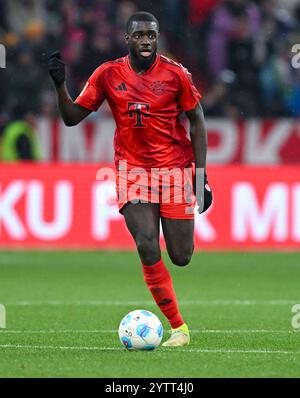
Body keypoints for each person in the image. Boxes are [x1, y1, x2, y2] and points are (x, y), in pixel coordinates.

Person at [48, 11, 212, 347]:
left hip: (175, 170)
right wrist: (60, 84)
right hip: (133, 171)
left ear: (158, 38)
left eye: (151, 35)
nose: (146, 41)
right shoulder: (108, 74)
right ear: (127, 39)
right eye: (139, 36)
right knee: (147, 243)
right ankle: (179, 328)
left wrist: (201, 176)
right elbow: (72, 118)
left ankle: (176, 320)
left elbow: (197, 121)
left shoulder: (176, 74)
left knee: (181, 256)